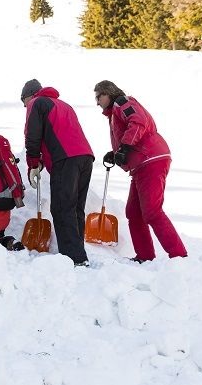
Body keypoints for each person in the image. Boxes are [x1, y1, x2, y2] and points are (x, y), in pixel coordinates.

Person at [94, 80, 187, 263]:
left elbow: (138, 122)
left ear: (108, 93)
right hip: (141, 165)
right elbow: (129, 133)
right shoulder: (115, 112)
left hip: (150, 159)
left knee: (152, 211)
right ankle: (145, 257)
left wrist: (125, 148)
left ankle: (179, 256)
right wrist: (116, 153)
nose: (97, 102)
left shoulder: (122, 102)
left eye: (99, 96)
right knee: (134, 213)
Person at [21, 79, 94, 266]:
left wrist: (32, 163)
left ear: (30, 96)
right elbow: (57, 135)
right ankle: (79, 254)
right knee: (75, 208)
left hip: (66, 160)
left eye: (24, 103)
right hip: (85, 157)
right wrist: (42, 163)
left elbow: (33, 135)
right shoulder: (64, 105)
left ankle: (73, 259)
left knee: (62, 208)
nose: (25, 108)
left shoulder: (36, 103)